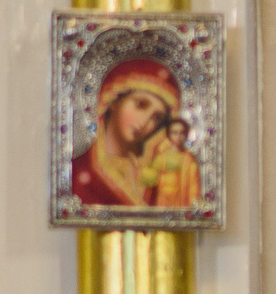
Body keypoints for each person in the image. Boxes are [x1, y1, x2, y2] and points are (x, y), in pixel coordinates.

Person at [71, 57, 201, 207]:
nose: (145, 122)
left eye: (157, 118)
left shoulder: (157, 172)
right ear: (113, 100)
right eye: (141, 105)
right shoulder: (78, 171)